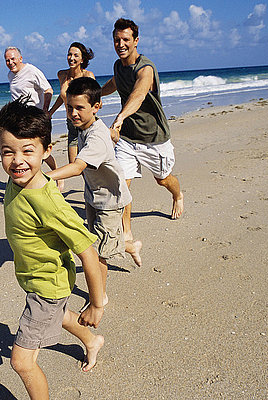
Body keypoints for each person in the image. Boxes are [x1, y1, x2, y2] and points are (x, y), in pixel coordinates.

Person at [0, 98, 105, 399]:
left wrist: (96, 304)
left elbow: (88, 252)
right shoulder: (16, 180)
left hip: (47, 286)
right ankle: (92, 342)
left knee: (21, 362)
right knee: (60, 315)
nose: (17, 160)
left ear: (46, 152)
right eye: (8, 152)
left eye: (28, 151)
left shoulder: (49, 202)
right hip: (37, 279)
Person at [47, 77, 142, 298]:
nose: (73, 113)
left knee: (98, 254)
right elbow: (106, 134)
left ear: (96, 107)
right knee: (98, 243)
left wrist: (45, 177)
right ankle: (131, 246)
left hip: (110, 201)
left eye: (80, 108)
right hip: (93, 196)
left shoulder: (96, 136)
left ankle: (100, 297)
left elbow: (78, 167)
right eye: (70, 107)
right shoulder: (87, 127)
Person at [101, 18, 184, 243]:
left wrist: (120, 117)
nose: (121, 44)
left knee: (163, 179)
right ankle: (126, 231)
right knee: (121, 183)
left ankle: (177, 194)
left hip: (154, 137)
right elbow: (115, 82)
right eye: (116, 40)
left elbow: (138, 94)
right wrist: (96, 94)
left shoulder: (146, 68)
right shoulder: (118, 66)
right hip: (128, 138)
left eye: (125, 39)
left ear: (136, 41)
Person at [4, 46, 60, 185]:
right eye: (7, 60)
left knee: (41, 150)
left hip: (36, 118)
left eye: (13, 59)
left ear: (20, 58)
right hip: (20, 120)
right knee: (25, 151)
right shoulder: (10, 75)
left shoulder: (32, 71)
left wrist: (45, 110)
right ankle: (30, 180)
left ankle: (58, 175)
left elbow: (48, 89)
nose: (10, 63)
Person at [47, 42, 96, 163]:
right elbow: (63, 97)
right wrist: (50, 112)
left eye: (75, 55)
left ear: (82, 59)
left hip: (86, 124)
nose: (71, 58)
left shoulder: (88, 76)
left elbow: (96, 100)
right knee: (73, 163)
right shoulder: (62, 75)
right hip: (71, 123)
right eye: (69, 54)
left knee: (88, 163)